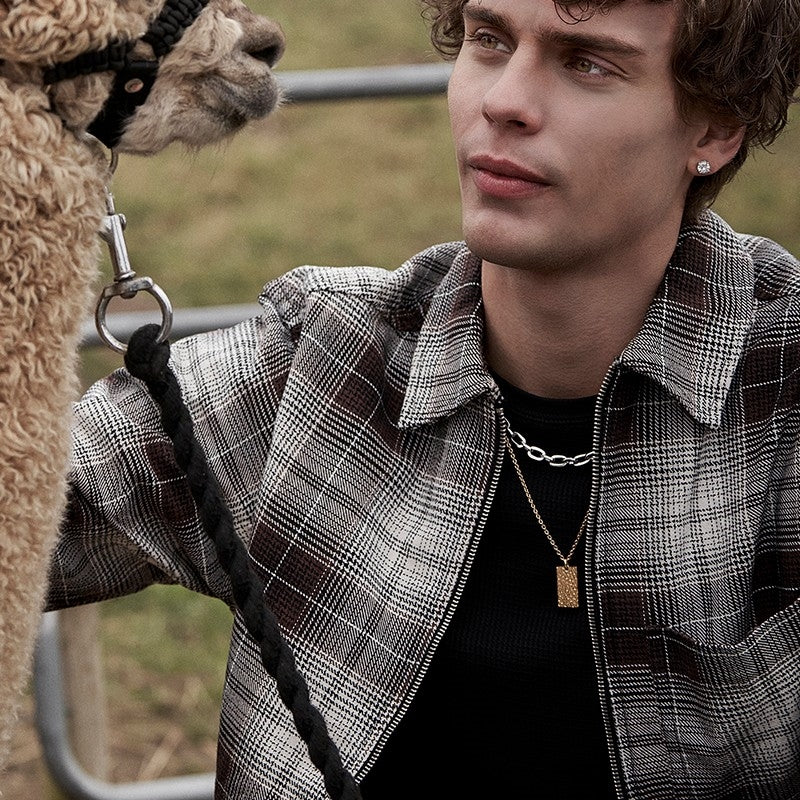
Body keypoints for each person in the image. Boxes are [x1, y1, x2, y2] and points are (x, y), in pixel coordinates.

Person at [46, 0, 800, 797]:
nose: (503, 101)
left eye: (586, 63)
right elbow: (26, 511)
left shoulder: (780, 391)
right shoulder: (320, 366)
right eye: (488, 40)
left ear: (715, 127)